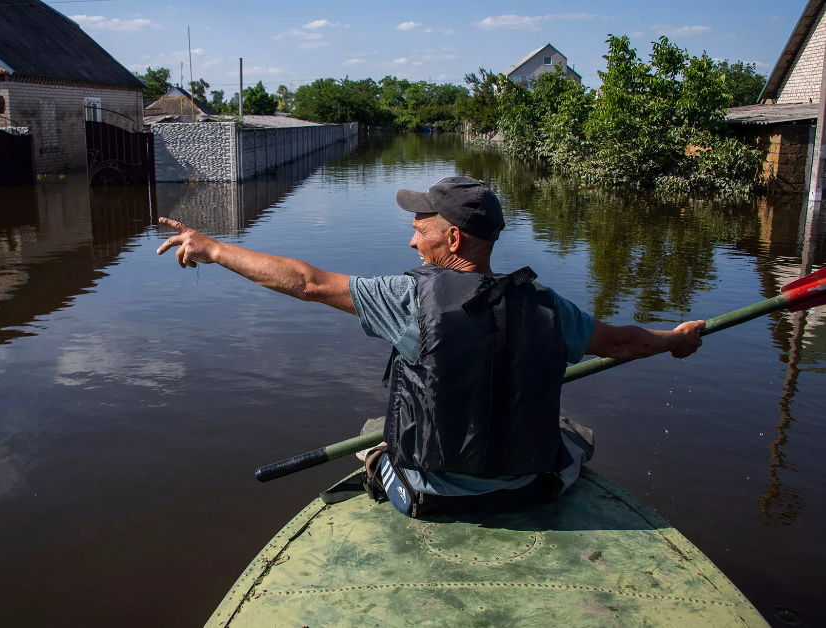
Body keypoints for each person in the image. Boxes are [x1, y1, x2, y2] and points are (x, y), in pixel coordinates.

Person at [156, 176, 705, 518]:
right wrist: (676, 341)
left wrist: (214, 249)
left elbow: (307, 283)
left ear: (453, 239)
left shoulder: (407, 297)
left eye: (421, 229)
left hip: (429, 494)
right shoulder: (547, 305)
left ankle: (378, 461)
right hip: (528, 489)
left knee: (379, 427)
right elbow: (626, 343)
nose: (412, 240)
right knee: (572, 435)